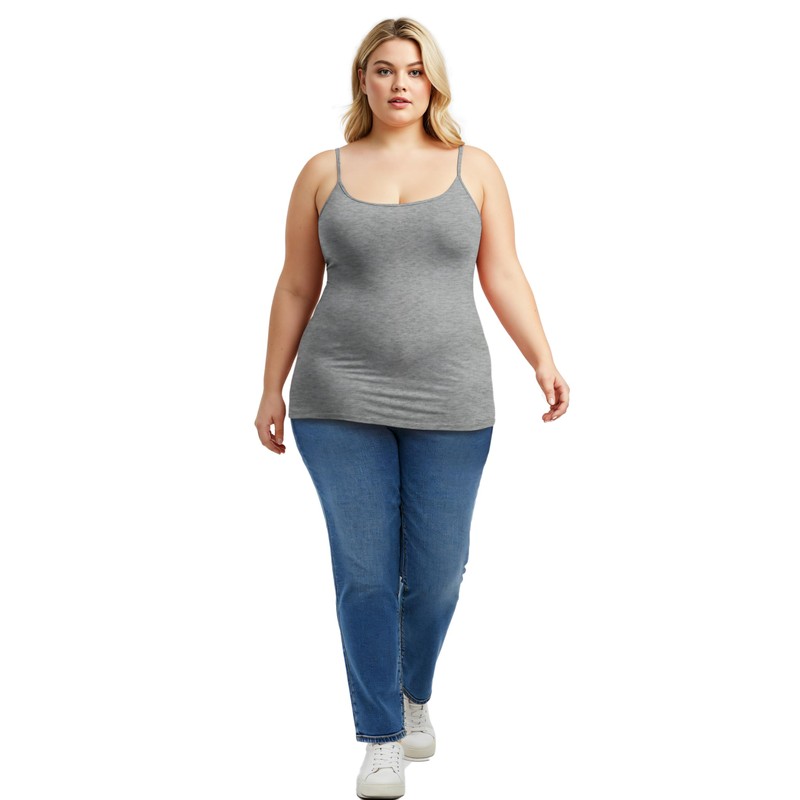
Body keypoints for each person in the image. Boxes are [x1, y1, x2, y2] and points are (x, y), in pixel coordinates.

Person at [255, 16, 570, 799]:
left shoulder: (476, 168)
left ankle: (411, 691)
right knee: (364, 574)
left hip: (452, 396)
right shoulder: (322, 172)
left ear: (435, 82)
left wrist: (542, 357)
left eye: (415, 70)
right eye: (386, 69)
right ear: (363, 79)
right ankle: (380, 737)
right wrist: (270, 386)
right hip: (337, 396)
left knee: (437, 577)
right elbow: (296, 285)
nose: (401, 84)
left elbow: (504, 273)